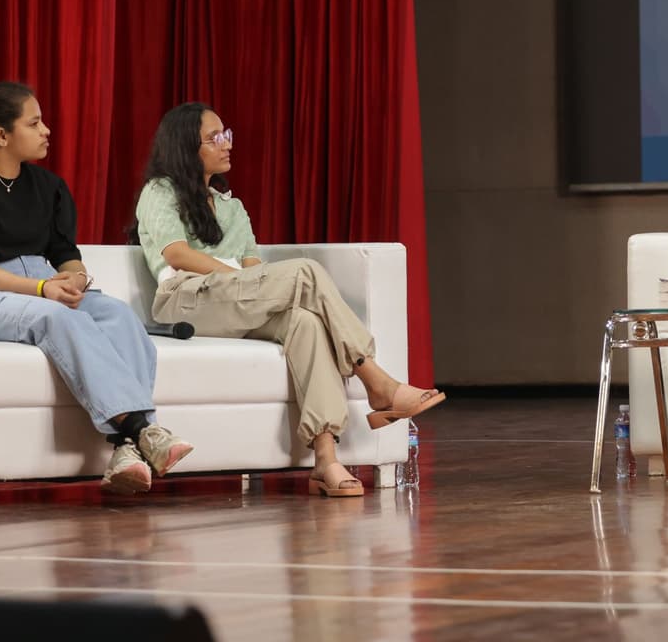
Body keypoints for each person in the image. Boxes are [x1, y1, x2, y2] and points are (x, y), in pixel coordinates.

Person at [132, 102, 443, 498]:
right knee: (304, 271)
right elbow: (176, 254)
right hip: (186, 300)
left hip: (237, 302)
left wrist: (251, 281)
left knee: (306, 323)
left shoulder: (233, 208)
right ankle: (375, 381)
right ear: (185, 149)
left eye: (227, 135)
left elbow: (252, 265)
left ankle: (326, 459)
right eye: (214, 138)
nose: (226, 144)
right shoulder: (159, 191)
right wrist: (248, 281)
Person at [0, 82, 192, 495]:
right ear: (1, 135)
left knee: (120, 316)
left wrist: (76, 278)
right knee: (56, 317)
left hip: (43, 284)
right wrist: (45, 287)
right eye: (34, 123)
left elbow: (66, 254)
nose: (46, 130)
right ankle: (143, 429)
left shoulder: (50, 187)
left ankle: (126, 449)